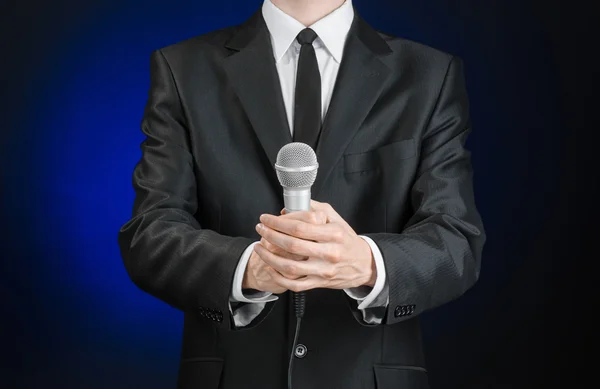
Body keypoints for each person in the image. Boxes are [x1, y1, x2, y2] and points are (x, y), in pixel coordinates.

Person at [117, 0, 486, 388]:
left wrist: (368, 263)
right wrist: (247, 269)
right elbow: (149, 231)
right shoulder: (183, 68)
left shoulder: (428, 74)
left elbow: (456, 239)